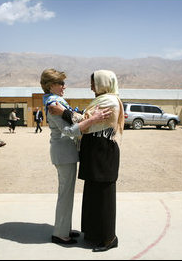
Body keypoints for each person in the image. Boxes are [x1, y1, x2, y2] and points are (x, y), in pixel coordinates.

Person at [50, 70, 124, 252]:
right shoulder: (101, 99)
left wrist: (63, 112)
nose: (91, 86)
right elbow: (88, 117)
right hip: (95, 152)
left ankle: (108, 238)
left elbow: (86, 120)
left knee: (104, 196)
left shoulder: (109, 100)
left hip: (103, 154)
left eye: (94, 83)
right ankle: (93, 233)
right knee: (93, 195)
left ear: (103, 83)